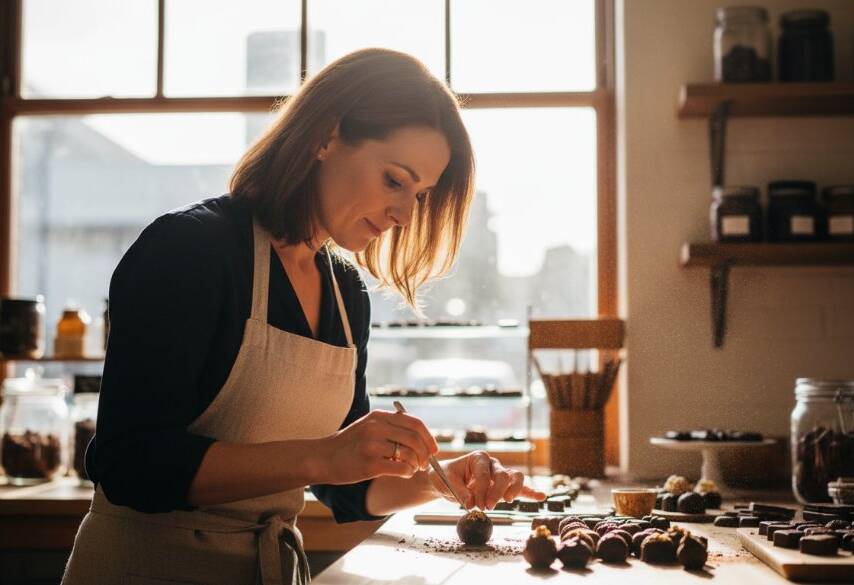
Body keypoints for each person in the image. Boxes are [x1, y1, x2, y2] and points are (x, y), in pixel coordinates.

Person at [61, 48, 544, 585]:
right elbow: (132, 465)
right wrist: (322, 458)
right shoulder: (189, 251)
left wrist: (439, 480)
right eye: (394, 180)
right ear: (327, 136)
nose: (406, 215)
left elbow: (346, 486)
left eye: (421, 194)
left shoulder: (345, 291)